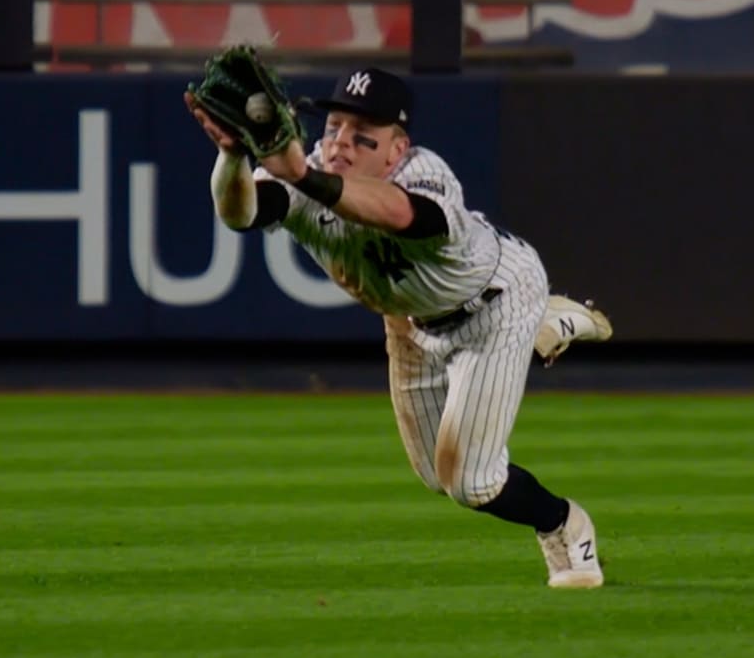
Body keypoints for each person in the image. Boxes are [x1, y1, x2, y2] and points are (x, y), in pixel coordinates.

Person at [185, 66, 614, 589]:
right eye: (333, 126)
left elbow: (400, 214)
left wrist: (302, 176)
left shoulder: (423, 172)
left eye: (362, 135)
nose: (340, 142)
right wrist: (232, 155)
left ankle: (564, 523)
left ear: (396, 150)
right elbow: (240, 213)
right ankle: (548, 325)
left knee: (472, 483)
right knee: (437, 477)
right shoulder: (305, 170)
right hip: (409, 322)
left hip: (493, 306)